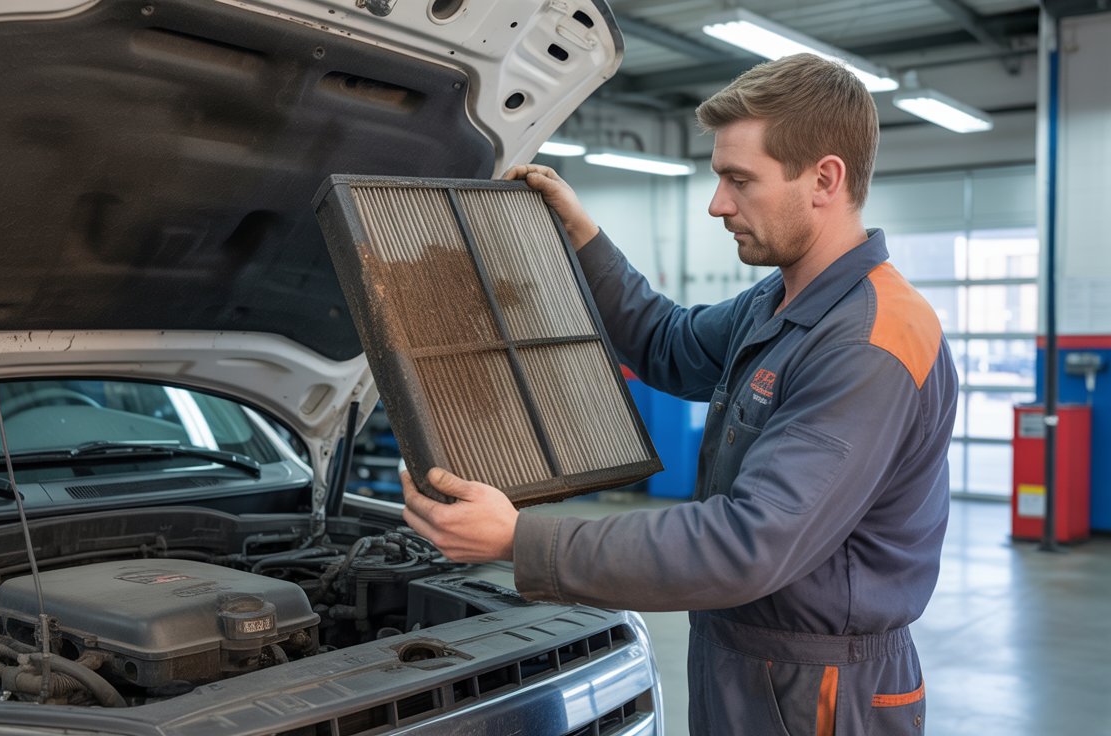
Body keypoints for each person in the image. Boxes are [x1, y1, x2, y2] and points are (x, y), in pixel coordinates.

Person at [401, 53, 957, 736]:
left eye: (738, 180)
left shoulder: (870, 343)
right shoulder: (783, 301)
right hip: (744, 652)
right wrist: (585, 238)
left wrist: (521, 539)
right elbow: (668, 342)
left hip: (823, 690)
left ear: (825, 179)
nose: (717, 203)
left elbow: (745, 544)